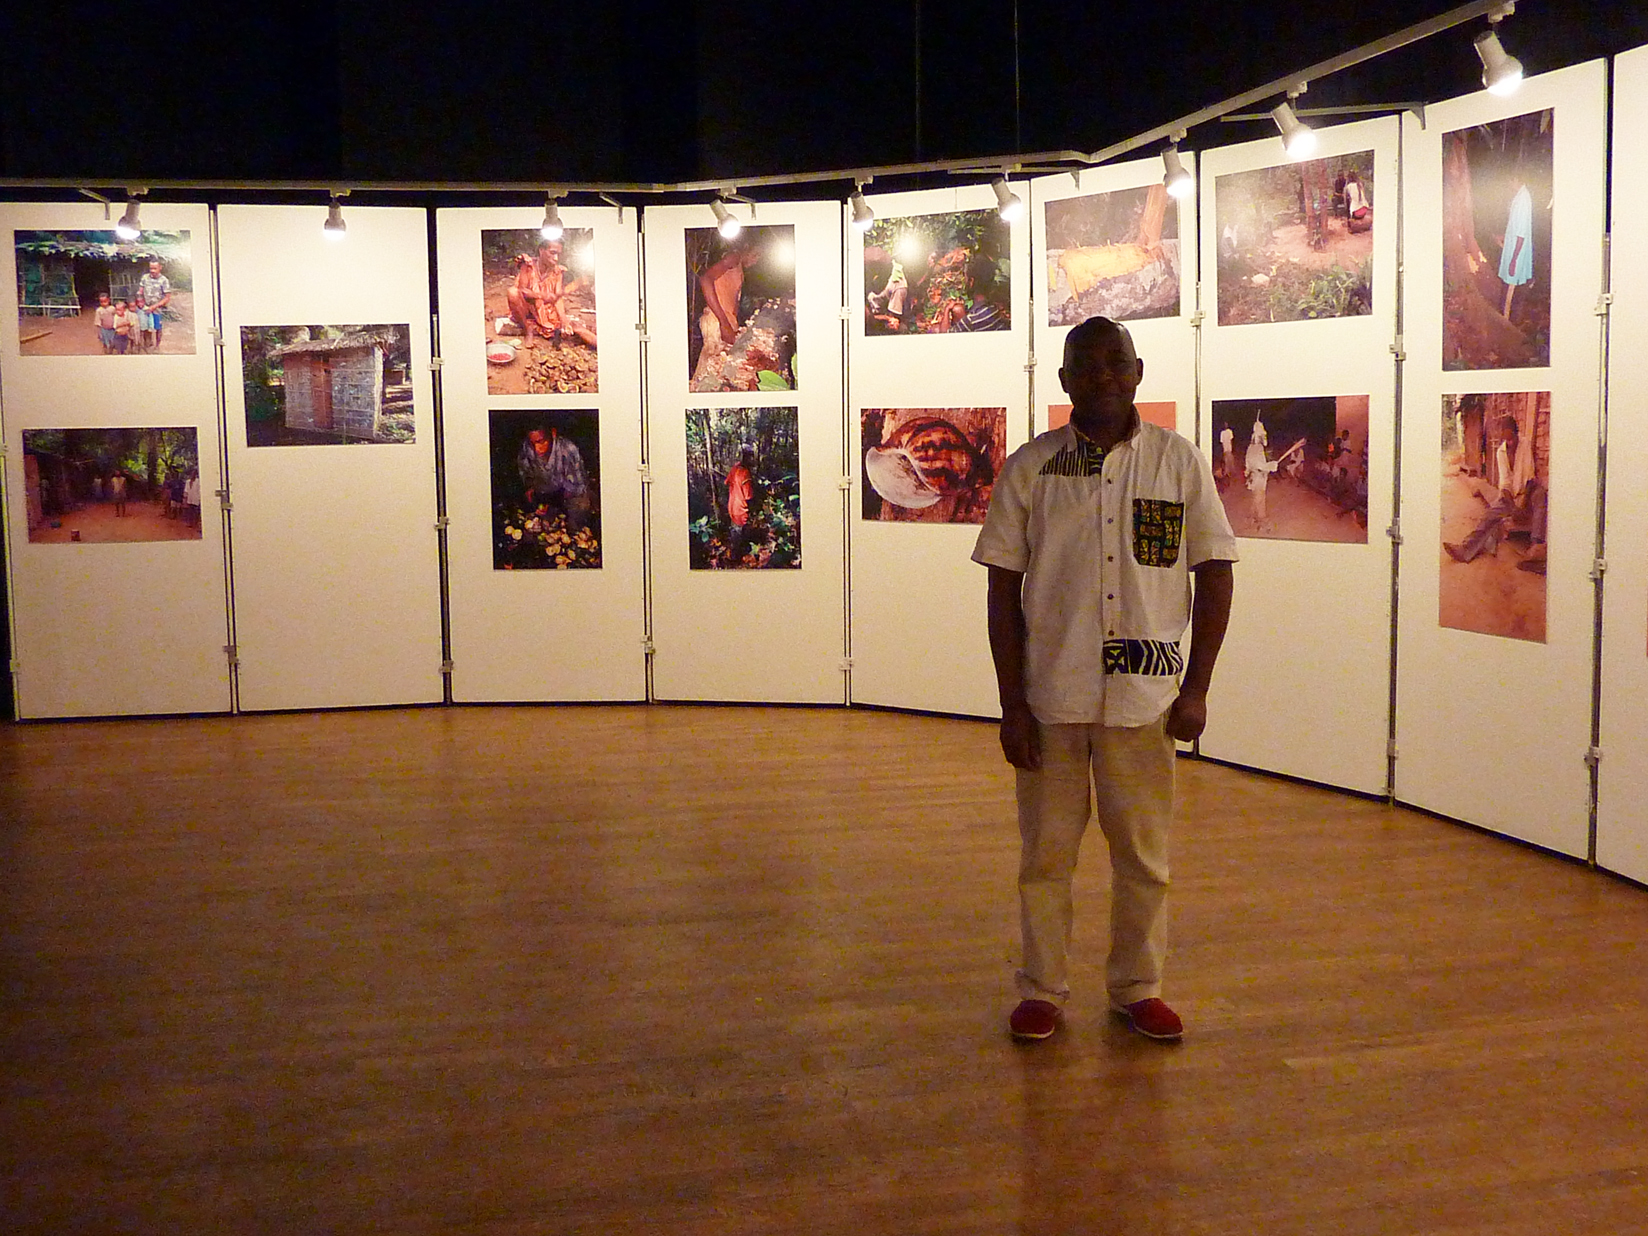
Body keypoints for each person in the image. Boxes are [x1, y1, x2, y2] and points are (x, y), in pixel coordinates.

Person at [972, 316, 1237, 1044]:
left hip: (1145, 702)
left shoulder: (1178, 464)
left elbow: (1215, 571)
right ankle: (1042, 989)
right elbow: (1003, 592)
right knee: (1046, 858)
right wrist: (1011, 706)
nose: (1104, 379)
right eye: (1086, 368)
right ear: (1063, 382)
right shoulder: (1031, 469)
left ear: (1138, 370)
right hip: (1052, 698)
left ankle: (1137, 987)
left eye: (1116, 364)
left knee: (1144, 859)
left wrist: (1198, 687)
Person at [506, 240, 597, 351]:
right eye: (553, 253)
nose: (556, 258)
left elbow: (558, 299)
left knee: (575, 327)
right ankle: (527, 330)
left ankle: (605, 348)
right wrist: (542, 295)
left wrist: (563, 320)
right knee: (512, 293)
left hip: (546, 309)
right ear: (541, 251)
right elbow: (522, 291)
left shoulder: (557, 271)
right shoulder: (528, 265)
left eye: (558, 254)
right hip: (526, 307)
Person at [517, 426, 592, 535]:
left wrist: (552, 503)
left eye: (541, 442)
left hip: (566, 495)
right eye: (533, 444)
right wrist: (532, 492)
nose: (537, 449)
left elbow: (575, 488)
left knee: (581, 504)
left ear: (553, 433)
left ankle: (574, 532)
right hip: (543, 493)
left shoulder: (568, 450)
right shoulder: (527, 447)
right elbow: (526, 475)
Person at [697, 239, 762, 366]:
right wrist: (724, 323)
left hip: (726, 322)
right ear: (746, 247)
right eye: (755, 254)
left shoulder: (739, 270)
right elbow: (706, 279)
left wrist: (734, 327)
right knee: (710, 371)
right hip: (716, 321)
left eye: (759, 257)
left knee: (721, 371)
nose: (756, 260)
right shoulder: (734, 257)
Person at [726, 445, 756, 562]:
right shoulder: (745, 473)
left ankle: (733, 556)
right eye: (750, 457)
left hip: (732, 507)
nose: (752, 460)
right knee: (739, 537)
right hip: (740, 510)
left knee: (734, 532)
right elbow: (748, 496)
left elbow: (727, 482)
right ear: (746, 457)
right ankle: (736, 561)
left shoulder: (735, 468)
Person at [138, 259, 172, 349]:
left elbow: (167, 297)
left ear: (160, 268)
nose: (152, 271)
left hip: (157, 308)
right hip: (145, 307)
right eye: (151, 268)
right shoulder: (145, 277)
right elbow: (140, 291)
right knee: (145, 326)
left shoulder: (164, 280)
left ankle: (157, 345)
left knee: (158, 327)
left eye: (155, 268)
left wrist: (154, 306)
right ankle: (148, 344)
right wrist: (140, 301)